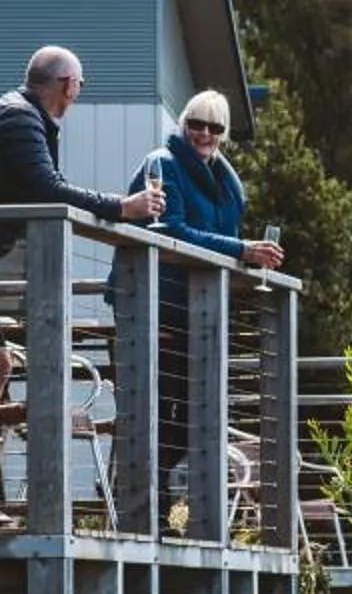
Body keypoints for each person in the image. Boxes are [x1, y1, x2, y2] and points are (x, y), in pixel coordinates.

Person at [0, 47, 162, 527]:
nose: (80, 92)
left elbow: (40, 186)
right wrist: (122, 207)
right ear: (66, 84)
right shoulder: (20, 118)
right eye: (81, 83)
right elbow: (48, 188)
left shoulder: (23, 117)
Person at [117, 90, 284, 518]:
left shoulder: (226, 182)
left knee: (193, 418)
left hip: (199, 313)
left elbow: (221, 238)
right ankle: (141, 514)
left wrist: (247, 258)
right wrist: (241, 249)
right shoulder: (164, 164)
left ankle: (160, 509)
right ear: (183, 124)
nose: (204, 134)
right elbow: (169, 229)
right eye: (196, 123)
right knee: (150, 416)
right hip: (154, 306)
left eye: (214, 127)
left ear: (224, 134)